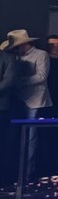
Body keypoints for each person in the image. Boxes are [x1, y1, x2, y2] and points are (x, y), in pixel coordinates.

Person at [3, 29, 50, 180]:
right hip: (18, 100)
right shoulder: (15, 57)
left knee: (31, 138)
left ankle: (28, 173)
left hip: (35, 101)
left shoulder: (41, 54)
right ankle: (17, 171)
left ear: (25, 44)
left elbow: (41, 76)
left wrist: (18, 82)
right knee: (17, 137)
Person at [0, 48, 18, 187]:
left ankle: (3, 179)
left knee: (3, 144)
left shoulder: (8, 58)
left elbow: (8, 81)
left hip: (2, 107)